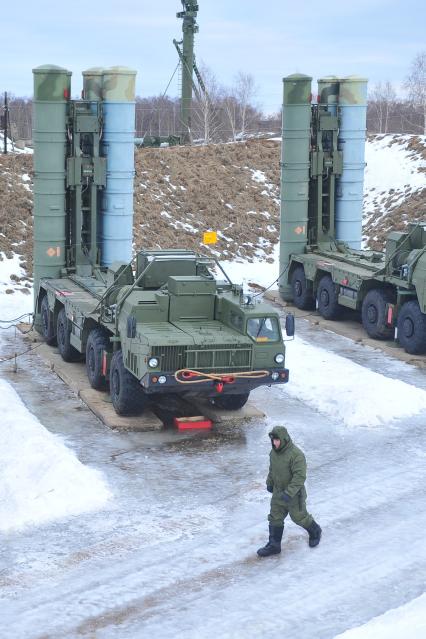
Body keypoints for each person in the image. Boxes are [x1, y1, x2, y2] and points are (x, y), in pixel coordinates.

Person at [257, 425, 322, 557]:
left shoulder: (296, 455)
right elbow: (272, 470)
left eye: (277, 440)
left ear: (284, 439)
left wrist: (289, 492)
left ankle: (315, 531)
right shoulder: (274, 453)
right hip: (278, 492)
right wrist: (270, 483)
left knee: (299, 517)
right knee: (275, 517)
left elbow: (300, 477)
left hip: (294, 494)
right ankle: (274, 545)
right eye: (273, 440)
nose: (274, 443)